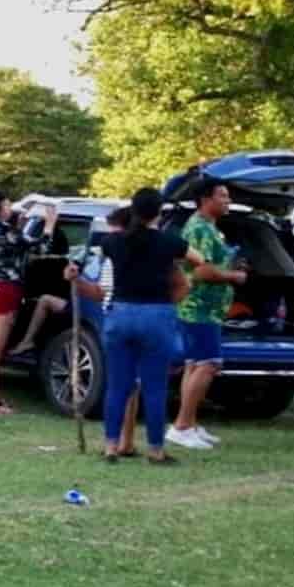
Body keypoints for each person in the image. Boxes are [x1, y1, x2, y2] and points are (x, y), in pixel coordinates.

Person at [96, 187, 192, 465]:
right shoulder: (169, 242)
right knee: (154, 387)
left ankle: (111, 447)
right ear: (159, 213)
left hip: (121, 313)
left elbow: (100, 253)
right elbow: (197, 260)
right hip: (156, 315)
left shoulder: (113, 242)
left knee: (117, 386)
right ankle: (155, 450)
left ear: (133, 210)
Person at [168, 178, 247, 451]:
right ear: (205, 199)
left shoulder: (212, 228)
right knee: (209, 364)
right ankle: (180, 427)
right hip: (198, 308)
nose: (228, 201)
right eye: (222, 196)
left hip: (209, 309)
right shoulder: (200, 228)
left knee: (195, 363)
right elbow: (200, 271)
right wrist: (233, 275)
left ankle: (189, 423)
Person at [0, 189, 56, 415]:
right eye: (7, 205)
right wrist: (49, 225)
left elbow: (13, 245)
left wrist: (21, 220)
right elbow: (40, 247)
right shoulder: (4, 231)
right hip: (4, 292)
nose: (11, 209)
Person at [67, 205, 140, 457]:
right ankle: (125, 441)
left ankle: (120, 442)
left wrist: (78, 281)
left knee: (124, 382)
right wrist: (78, 281)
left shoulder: (123, 254)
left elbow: (101, 292)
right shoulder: (127, 254)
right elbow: (100, 292)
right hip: (132, 318)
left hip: (124, 317)